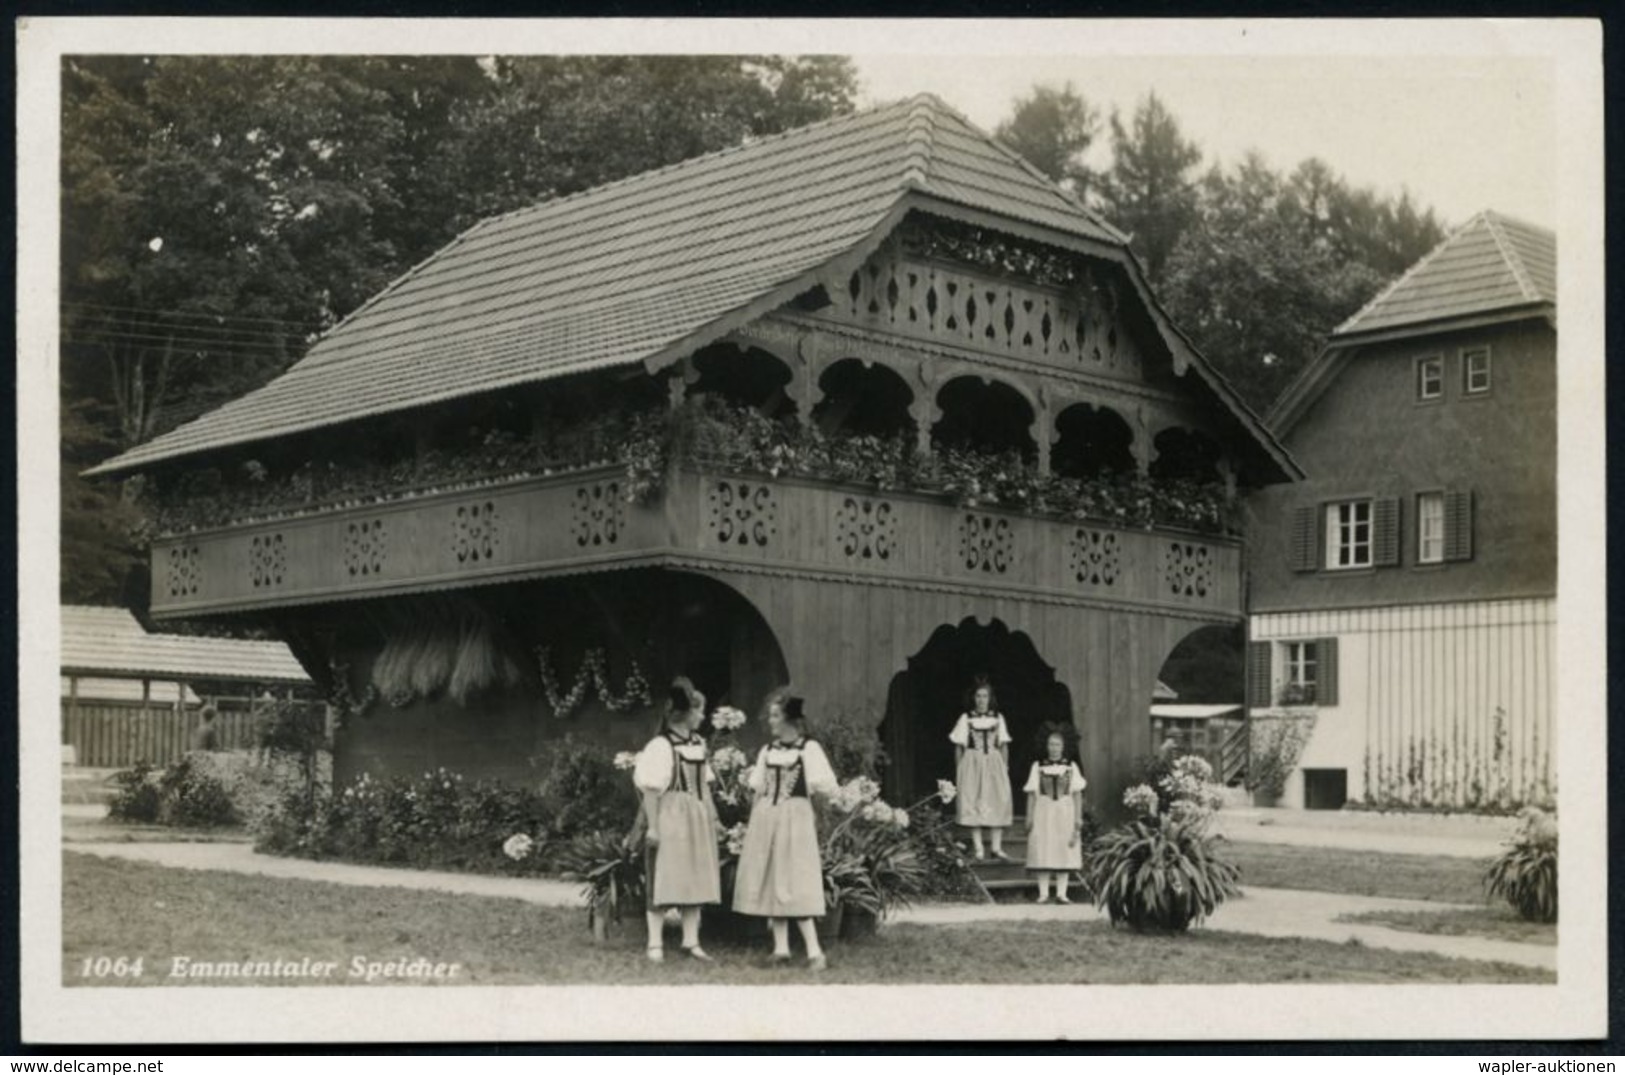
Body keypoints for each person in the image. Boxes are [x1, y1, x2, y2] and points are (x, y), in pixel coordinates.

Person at [733, 692, 838, 971]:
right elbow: (759, 789)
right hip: (767, 817)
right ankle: (781, 949)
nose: (770, 721)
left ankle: (815, 952)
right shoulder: (768, 751)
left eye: (775, 715)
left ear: (790, 720)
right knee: (771, 875)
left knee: (795, 878)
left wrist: (818, 821)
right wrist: (754, 822)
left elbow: (825, 789)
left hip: (796, 818)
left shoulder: (808, 750)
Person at [631, 680, 722, 963]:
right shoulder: (660, 746)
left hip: (695, 816)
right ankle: (655, 942)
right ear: (687, 713)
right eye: (700, 711)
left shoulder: (698, 744)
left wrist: (714, 818)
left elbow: (704, 787)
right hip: (670, 816)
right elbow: (650, 790)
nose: (703, 717)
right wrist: (654, 827)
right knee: (663, 876)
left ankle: (691, 941)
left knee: (694, 875)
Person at [948, 676, 1014, 860]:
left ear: (990, 698)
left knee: (998, 800)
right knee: (973, 800)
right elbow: (959, 746)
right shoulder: (966, 718)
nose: (981, 700)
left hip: (994, 763)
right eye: (978, 696)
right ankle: (979, 848)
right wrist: (960, 770)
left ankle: (996, 847)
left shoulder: (998, 718)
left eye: (985, 696)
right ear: (973, 698)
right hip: (972, 763)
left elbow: (1004, 745)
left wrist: (1004, 767)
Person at [1024, 731, 1088, 904]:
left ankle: (1062, 893)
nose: (1054, 748)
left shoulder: (1071, 767)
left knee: (1063, 848)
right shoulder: (1038, 766)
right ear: (1046, 746)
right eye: (1051, 744)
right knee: (1043, 847)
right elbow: (1031, 794)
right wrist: (1029, 816)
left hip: (1065, 810)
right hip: (1043, 811)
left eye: (1057, 745)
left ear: (1063, 747)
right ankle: (1043, 893)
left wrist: (1078, 818)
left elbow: (1077, 794)